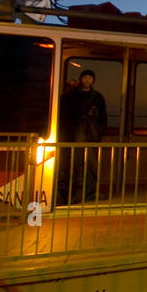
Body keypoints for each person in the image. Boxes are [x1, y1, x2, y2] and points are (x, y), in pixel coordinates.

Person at [56, 69, 108, 204]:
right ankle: (68, 194)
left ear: (93, 80)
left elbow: (103, 117)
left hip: (91, 136)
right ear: (81, 79)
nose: (87, 80)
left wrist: (99, 131)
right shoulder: (70, 96)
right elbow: (64, 117)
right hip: (74, 135)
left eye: (90, 78)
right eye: (85, 77)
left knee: (91, 167)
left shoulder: (98, 97)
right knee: (72, 166)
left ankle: (89, 194)